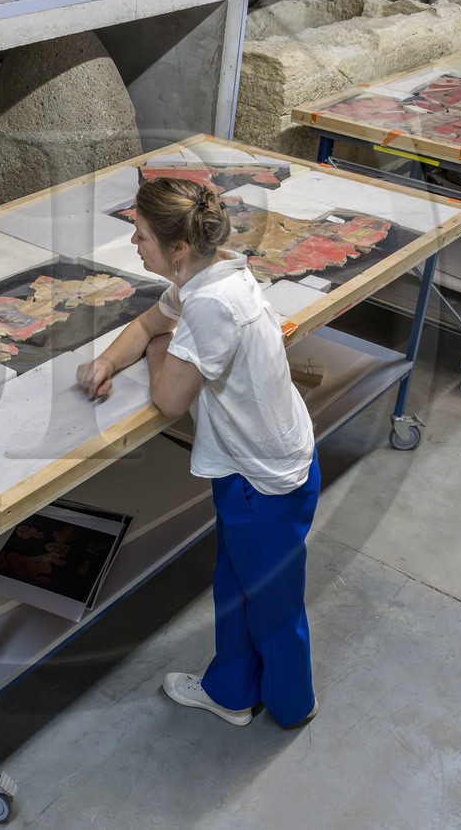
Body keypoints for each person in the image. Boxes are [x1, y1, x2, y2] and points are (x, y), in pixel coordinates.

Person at [77, 176, 320, 729]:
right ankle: (231, 692)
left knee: (275, 608)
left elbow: (168, 399)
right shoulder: (209, 274)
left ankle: (292, 706)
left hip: (266, 482)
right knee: (235, 585)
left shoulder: (210, 303)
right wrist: (108, 363)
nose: (133, 244)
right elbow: (147, 324)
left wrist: (163, 346)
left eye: (140, 235)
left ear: (178, 248)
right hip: (252, 465)